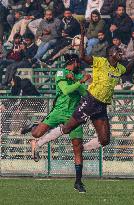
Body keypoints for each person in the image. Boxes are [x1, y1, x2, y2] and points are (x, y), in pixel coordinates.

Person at [27, 23, 134, 170]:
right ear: (110, 53)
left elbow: (129, 69)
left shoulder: (119, 68)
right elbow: (82, 56)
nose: (120, 52)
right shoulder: (101, 62)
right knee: (67, 128)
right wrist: (82, 36)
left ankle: (81, 149)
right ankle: (39, 143)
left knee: (105, 140)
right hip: (91, 100)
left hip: (102, 105)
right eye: (117, 50)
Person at [22, 53, 91, 193]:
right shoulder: (61, 72)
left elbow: (85, 93)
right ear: (74, 62)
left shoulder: (77, 76)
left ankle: (78, 182)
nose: (80, 65)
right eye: (78, 62)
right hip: (58, 111)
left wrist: (87, 85)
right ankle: (33, 126)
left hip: (74, 116)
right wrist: (80, 82)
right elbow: (66, 90)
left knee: (77, 148)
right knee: (36, 134)